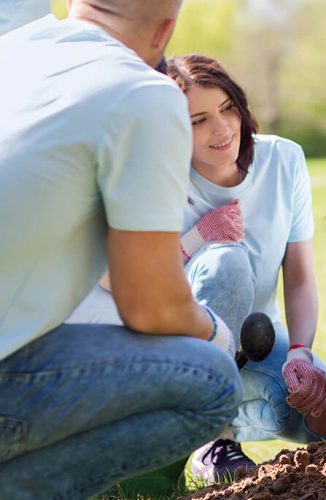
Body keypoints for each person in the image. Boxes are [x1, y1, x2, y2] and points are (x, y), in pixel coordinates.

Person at [66, 53, 326, 483]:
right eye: (198, 120)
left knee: (325, 415)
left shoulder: (283, 160)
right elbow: (110, 275)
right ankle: (213, 438)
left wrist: (300, 353)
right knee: (227, 262)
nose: (221, 129)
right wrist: (199, 238)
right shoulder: (157, 176)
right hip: (178, 347)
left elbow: (301, 275)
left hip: (252, 343)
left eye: (227, 108)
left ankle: (207, 428)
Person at [0, 1, 241, 498]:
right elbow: (150, 304)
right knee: (213, 380)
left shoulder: (12, 52)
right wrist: (217, 332)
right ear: (165, 33)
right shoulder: (143, 93)